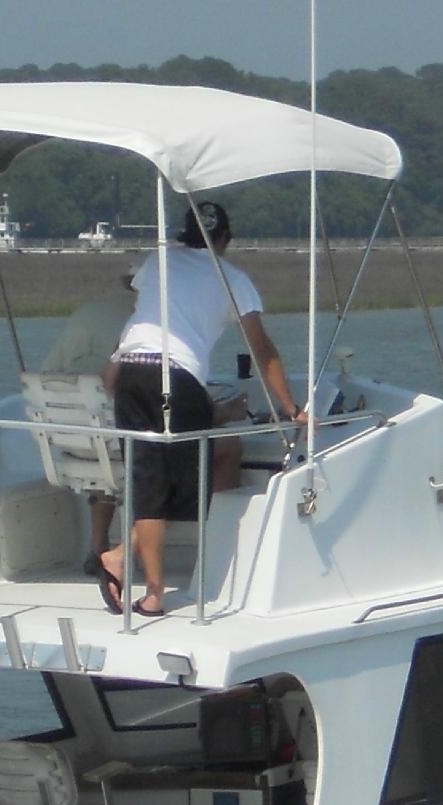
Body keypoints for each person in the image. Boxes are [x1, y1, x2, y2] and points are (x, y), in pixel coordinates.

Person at [97, 201, 302, 617]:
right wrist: (291, 407)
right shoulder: (234, 279)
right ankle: (139, 573)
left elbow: (135, 292)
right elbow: (262, 350)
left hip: (133, 372)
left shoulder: (159, 260)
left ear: (184, 235)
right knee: (178, 482)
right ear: (225, 238)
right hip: (176, 377)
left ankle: (136, 572)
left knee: (152, 481)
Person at [38, 278, 135, 574]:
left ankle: (97, 547)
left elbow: (46, 374)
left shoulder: (85, 314)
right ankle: (126, 551)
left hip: (75, 444)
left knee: (103, 446)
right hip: (119, 443)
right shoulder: (145, 320)